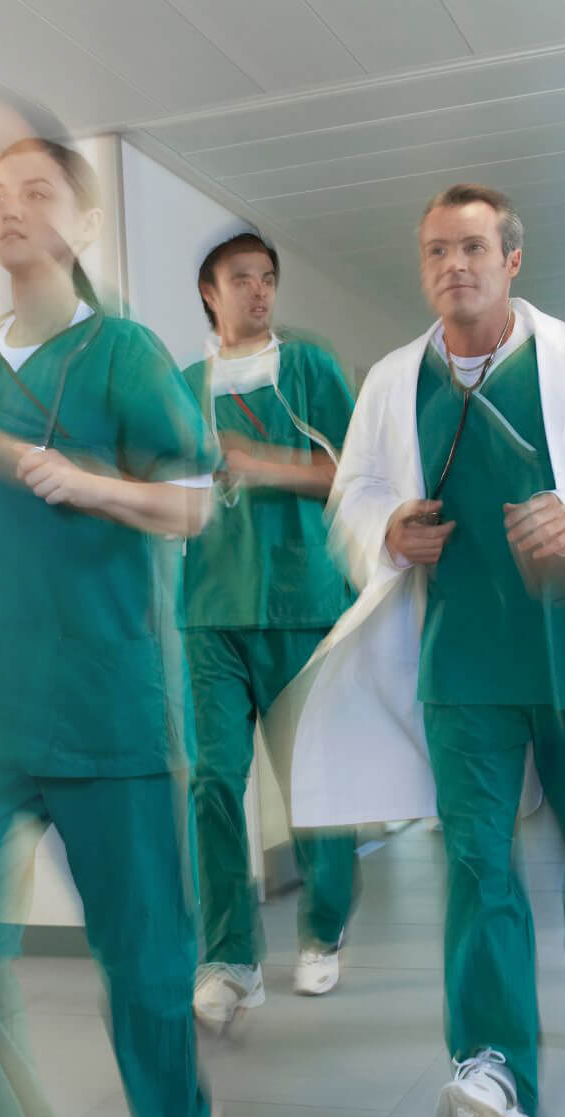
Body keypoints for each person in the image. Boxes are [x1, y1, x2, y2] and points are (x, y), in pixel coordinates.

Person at [267, 183, 565, 1117]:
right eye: (435, 250)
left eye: (472, 247)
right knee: (477, 860)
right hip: (460, 662)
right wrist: (387, 528)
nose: (452, 265)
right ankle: (492, 1065)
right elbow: (353, 493)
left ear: (512, 259)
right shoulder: (395, 381)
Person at [0, 136, 217, 1117]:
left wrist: (86, 482)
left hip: (107, 713)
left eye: (36, 190)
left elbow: (193, 503)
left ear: (81, 222)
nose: (10, 207)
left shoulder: (124, 353)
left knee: (147, 967)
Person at [179, 232, 359, 1033]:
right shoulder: (183, 388)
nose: (259, 290)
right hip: (210, 611)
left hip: (301, 602)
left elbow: (356, 475)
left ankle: (323, 928)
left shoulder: (309, 369)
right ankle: (229, 959)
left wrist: (258, 462)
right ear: (209, 293)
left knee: (315, 779)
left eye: (268, 278)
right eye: (241, 278)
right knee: (214, 782)